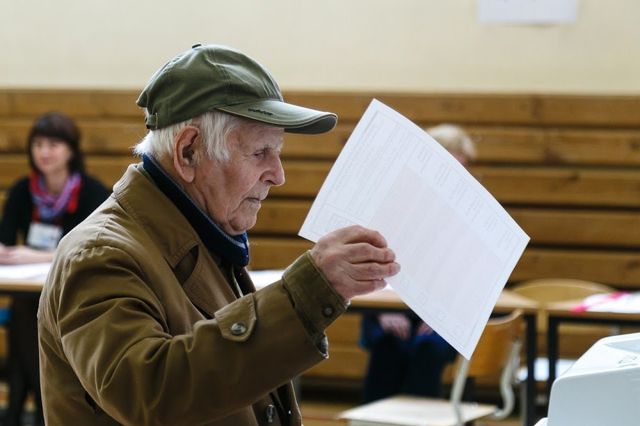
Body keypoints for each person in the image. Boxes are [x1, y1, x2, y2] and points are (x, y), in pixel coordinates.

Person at [37, 44, 400, 426]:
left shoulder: (201, 235)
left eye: (277, 152)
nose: (278, 175)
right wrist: (308, 293)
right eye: (260, 152)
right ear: (188, 152)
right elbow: (151, 392)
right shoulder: (100, 254)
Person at [0, 111, 110, 426]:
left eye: (53, 145)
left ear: (71, 150)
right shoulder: (23, 190)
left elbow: (91, 247)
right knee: (25, 309)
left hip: (75, 290)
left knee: (30, 315)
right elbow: (5, 242)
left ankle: (21, 408)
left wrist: (35, 255)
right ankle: (40, 408)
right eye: (38, 145)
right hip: (30, 290)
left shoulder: (92, 192)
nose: (44, 152)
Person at [360, 123, 477, 403]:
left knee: (428, 349)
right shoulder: (398, 203)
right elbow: (371, 259)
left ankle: (419, 419)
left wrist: (440, 316)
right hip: (390, 303)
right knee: (388, 344)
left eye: (461, 168)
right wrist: (384, 309)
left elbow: (469, 278)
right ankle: (374, 419)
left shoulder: (472, 214)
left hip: (444, 314)